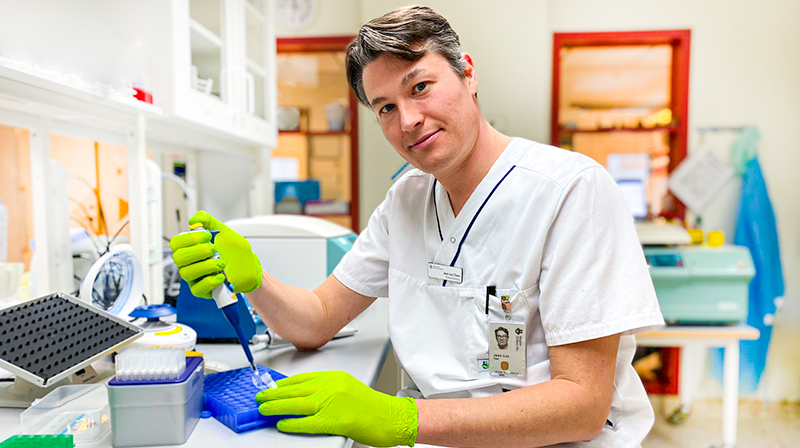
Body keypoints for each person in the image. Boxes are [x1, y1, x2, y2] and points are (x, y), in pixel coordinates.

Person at [169, 6, 664, 447]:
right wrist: (256, 280)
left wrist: (402, 418)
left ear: (467, 73)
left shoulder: (571, 190)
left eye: (420, 87)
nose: (407, 119)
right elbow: (317, 319)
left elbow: (581, 406)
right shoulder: (406, 199)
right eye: (385, 107)